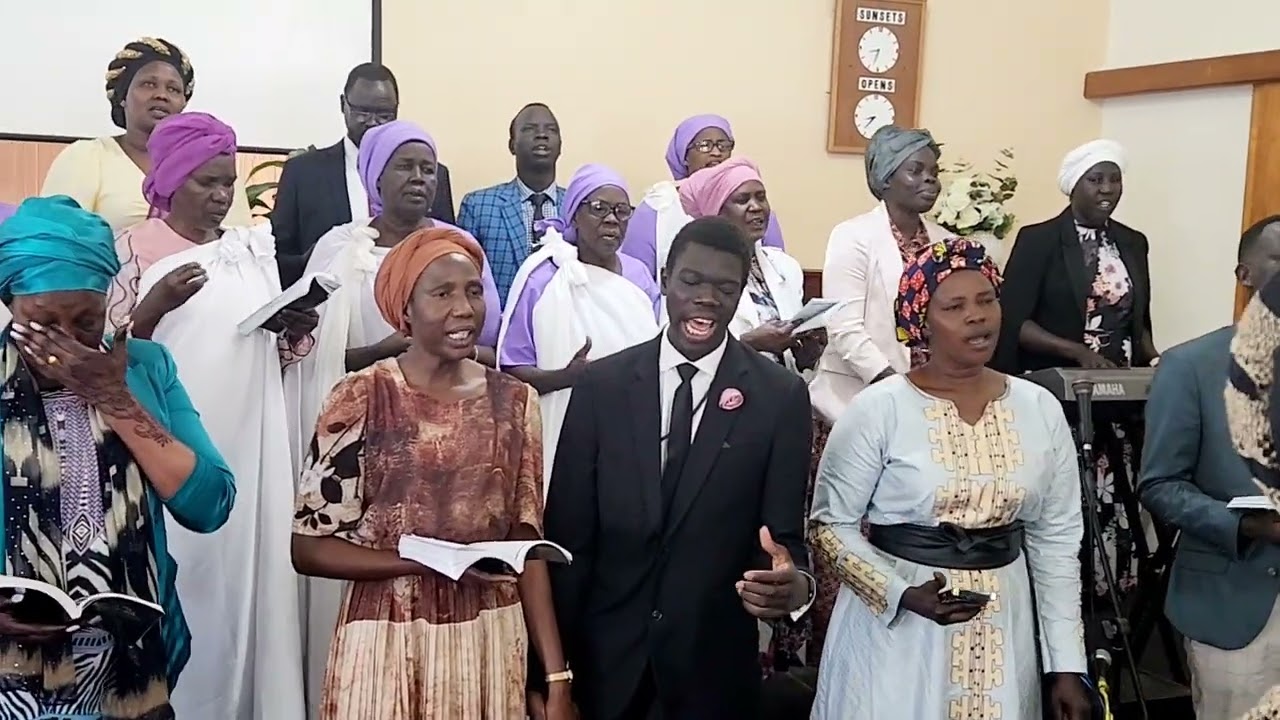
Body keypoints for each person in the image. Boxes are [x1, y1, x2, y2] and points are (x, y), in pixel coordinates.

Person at [291, 227, 571, 720]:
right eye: (442, 294)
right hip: (387, 640)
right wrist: (427, 562)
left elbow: (527, 548)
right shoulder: (361, 396)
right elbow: (309, 547)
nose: (464, 308)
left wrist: (556, 678)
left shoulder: (515, 402)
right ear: (405, 311)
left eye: (474, 291)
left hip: (490, 638)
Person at [808, 237, 1091, 719]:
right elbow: (829, 526)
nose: (977, 317)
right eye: (954, 306)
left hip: (1004, 623)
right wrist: (900, 594)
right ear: (921, 322)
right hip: (895, 633)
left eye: (986, 300)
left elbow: (1056, 539)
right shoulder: (879, 409)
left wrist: (1066, 666)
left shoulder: (1038, 407)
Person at [545, 216, 815, 719]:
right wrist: (554, 671)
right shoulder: (602, 386)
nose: (707, 298)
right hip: (606, 664)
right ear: (666, 278)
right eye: (692, 281)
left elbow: (783, 540)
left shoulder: (779, 398)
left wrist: (796, 585)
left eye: (725, 287)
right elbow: (568, 541)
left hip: (711, 672)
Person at [103, 112, 312, 719]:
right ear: (169, 181)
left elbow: (263, 352)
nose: (222, 197)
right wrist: (152, 308)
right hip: (167, 445)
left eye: (228, 183)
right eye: (207, 183)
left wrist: (293, 328)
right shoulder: (132, 249)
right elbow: (104, 360)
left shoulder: (248, 252)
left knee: (246, 578)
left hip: (249, 437)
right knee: (188, 577)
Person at [292, 119, 501, 707]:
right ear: (373, 175)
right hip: (368, 437)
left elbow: (488, 343)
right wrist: (384, 357)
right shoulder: (339, 247)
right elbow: (313, 353)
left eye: (428, 168)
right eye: (405, 166)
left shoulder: (457, 251)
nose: (419, 178)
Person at [0, 196, 235, 719]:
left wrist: (116, 400)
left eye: (86, 321)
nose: (64, 340)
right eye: (41, 321)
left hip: (131, 672)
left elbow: (210, 504)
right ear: (10, 303)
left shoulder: (145, 368)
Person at [805, 125, 950, 661]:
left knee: (904, 537)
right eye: (917, 171)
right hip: (855, 408)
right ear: (885, 179)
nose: (929, 181)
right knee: (850, 541)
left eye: (934, 172)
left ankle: (898, 657)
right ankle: (837, 658)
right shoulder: (854, 236)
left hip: (923, 410)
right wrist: (893, 386)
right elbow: (842, 325)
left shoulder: (940, 242)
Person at [995, 139, 1156, 598]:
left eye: (1114, 178)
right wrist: (1076, 352)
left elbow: (1138, 322)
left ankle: (1107, 597)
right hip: (1059, 392)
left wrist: (1156, 360)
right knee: (1066, 497)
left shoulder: (1133, 243)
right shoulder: (1039, 239)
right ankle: (1055, 593)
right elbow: (1013, 321)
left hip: (1118, 393)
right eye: (1096, 179)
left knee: (1116, 493)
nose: (1107, 188)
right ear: (1073, 187)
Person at [1140, 216, 1280, 719]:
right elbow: (1159, 484)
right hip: (1234, 600)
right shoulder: (1190, 366)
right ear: (1245, 276)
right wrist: (1246, 524)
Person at [498, 163, 659, 488]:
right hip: (565, 433)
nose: (611, 219)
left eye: (622, 211)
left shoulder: (640, 275)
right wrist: (566, 378)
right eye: (598, 208)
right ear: (573, 214)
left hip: (631, 433)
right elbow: (511, 372)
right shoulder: (543, 277)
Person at [40, 37, 252, 232]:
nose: (161, 95)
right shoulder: (87, 156)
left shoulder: (214, 162)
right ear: (122, 96)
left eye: (173, 89)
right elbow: (55, 239)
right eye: (148, 84)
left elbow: (240, 240)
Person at [271, 63, 455, 283]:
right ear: (343, 105)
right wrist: (318, 258)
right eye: (363, 112)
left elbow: (444, 247)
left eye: (385, 114)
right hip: (328, 307)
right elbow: (278, 256)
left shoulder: (432, 175)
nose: (373, 122)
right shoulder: (303, 172)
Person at [620, 114, 785, 280]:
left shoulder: (754, 206)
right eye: (704, 146)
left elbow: (778, 270)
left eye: (723, 145)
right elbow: (637, 277)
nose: (716, 153)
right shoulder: (657, 205)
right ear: (683, 156)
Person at [458, 102, 566, 304]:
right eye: (529, 129)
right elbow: (464, 282)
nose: (542, 135)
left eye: (551, 130)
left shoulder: (578, 208)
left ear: (560, 146)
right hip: (499, 329)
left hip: (566, 326)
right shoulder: (478, 206)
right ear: (512, 145)